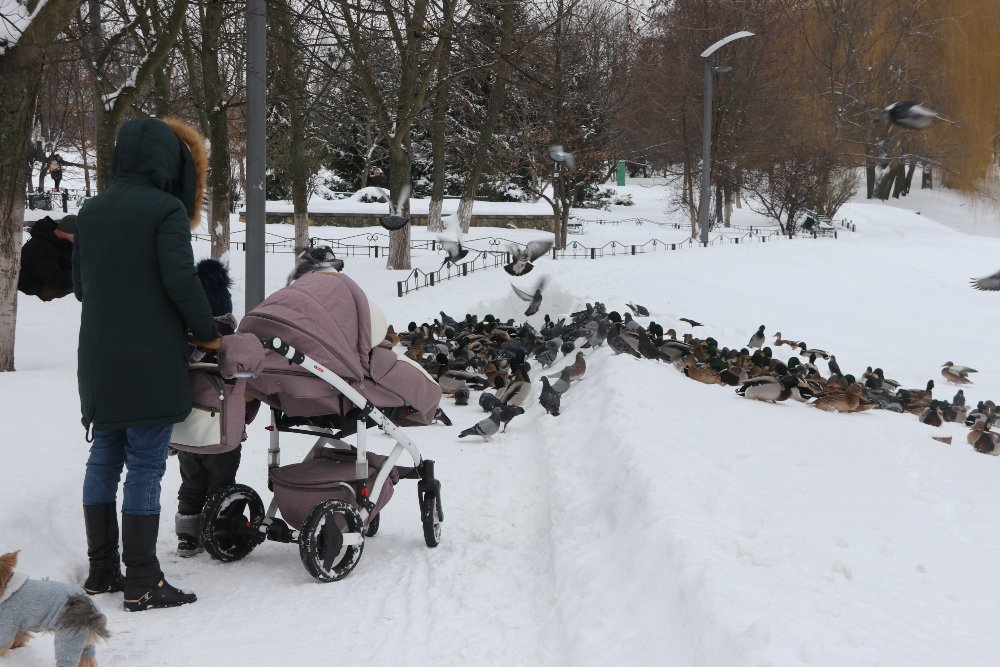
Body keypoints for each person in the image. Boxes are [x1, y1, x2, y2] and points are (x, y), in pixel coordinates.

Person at [73, 116, 220, 612]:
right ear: (166, 161)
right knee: (145, 466)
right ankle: (143, 581)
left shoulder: (91, 210)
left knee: (103, 458)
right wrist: (208, 332)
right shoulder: (165, 210)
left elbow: (80, 287)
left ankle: (101, 571)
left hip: (97, 359)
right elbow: (182, 282)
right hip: (151, 360)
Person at [174, 258, 259, 558]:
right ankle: (220, 530)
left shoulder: (181, 346)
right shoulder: (232, 350)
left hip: (187, 433)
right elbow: (249, 394)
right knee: (222, 484)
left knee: (191, 483)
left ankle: (187, 536)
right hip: (222, 435)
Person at [17, 215, 76, 301]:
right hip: (34, 291)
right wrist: (80, 274)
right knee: (81, 289)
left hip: (49, 283)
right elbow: (56, 281)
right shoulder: (39, 247)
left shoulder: (64, 242)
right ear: (70, 231)